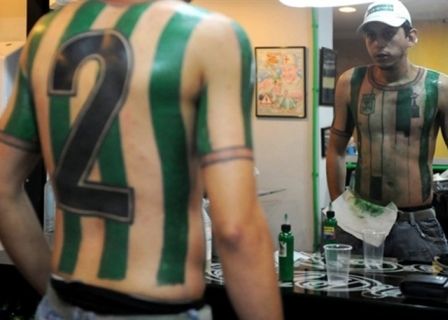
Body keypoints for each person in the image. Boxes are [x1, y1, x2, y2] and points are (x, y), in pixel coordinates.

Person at [0, 0, 283, 319]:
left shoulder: (46, 34)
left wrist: (55, 295)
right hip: (156, 307)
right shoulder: (210, 36)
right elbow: (236, 230)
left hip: (62, 301)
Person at [326, 0, 448, 263]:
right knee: (349, 298)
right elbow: (336, 150)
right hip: (359, 220)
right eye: (371, 35)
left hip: (416, 223)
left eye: (388, 33)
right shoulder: (350, 83)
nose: (378, 43)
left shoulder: (440, 88)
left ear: (411, 36)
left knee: (426, 299)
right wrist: (339, 210)